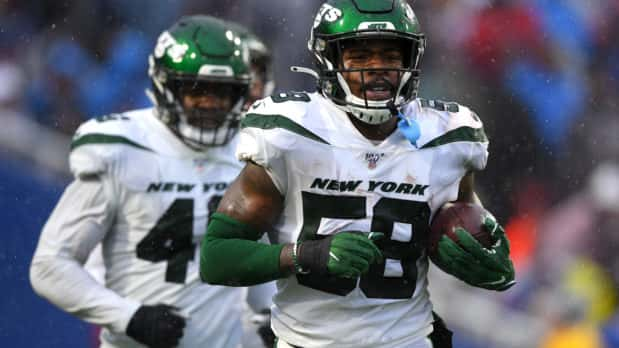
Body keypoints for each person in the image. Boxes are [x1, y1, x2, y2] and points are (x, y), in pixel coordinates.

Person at [200, 1, 515, 348]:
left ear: (410, 59)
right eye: (360, 56)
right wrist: (306, 255)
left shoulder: (448, 137)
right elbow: (217, 257)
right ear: (329, 59)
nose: (376, 69)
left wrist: (492, 259)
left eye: (390, 56)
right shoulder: (290, 133)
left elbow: (466, 222)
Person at [30, 15, 273, 348]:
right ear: (165, 85)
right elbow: (49, 265)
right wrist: (128, 316)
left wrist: (270, 317)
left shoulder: (247, 153)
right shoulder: (121, 147)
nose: (210, 104)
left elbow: (248, 255)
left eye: (223, 92)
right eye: (197, 90)